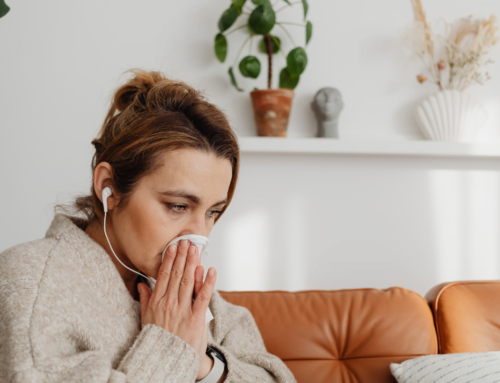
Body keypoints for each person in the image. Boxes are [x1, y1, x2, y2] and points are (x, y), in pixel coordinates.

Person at [0, 69, 297, 383]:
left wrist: (207, 367)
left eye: (212, 212)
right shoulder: (29, 283)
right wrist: (171, 347)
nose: (198, 236)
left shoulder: (189, 292)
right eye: (178, 206)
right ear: (108, 188)